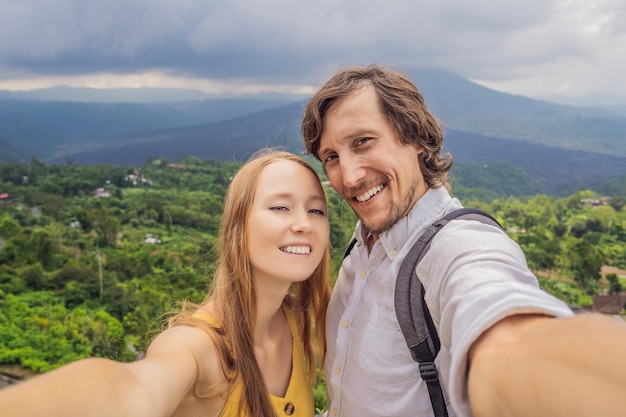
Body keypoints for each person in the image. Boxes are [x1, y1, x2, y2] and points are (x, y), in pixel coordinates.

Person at [301, 64, 626, 417]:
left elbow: (499, 321)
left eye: (363, 142)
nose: (348, 177)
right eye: (331, 157)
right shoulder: (361, 245)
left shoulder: (456, 247)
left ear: (416, 139)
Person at [0, 149, 332, 417]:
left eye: (316, 211)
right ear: (238, 227)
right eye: (280, 207)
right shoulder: (199, 347)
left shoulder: (294, 319)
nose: (303, 223)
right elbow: (134, 389)